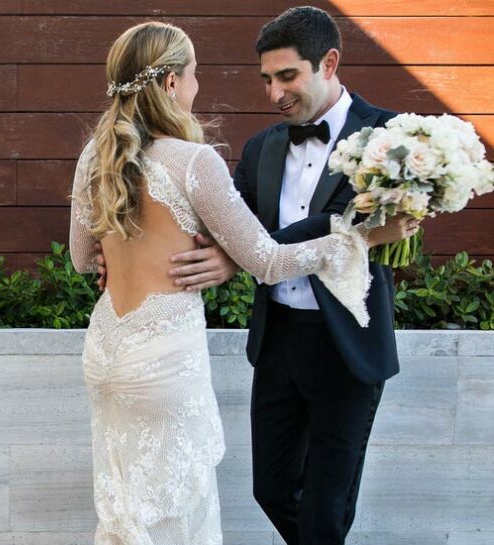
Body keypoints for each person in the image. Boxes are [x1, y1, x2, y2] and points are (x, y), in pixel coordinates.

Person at [72, 19, 417, 545]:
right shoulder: (221, 155)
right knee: (202, 499)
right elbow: (261, 252)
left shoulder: (95, 157)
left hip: (115, 348)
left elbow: (81, 258)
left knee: (128, 496)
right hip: (205, 349)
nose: (272, 92)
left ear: (329, 63)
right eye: (194, 74)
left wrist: (120, 251)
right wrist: (360, 239)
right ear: (170, 84)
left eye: (285, 76)